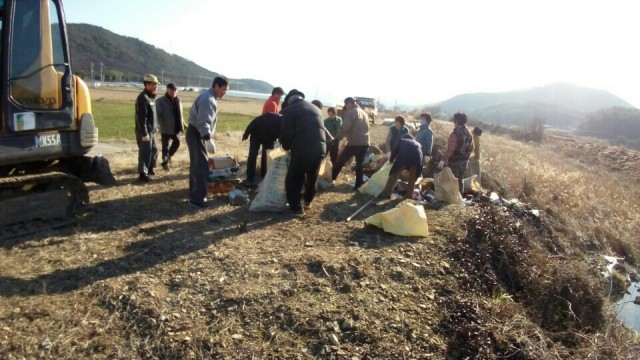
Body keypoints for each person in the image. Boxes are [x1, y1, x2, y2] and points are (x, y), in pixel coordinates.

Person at [279, 90, 328, 216]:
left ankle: (296, 208)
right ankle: (307, 201)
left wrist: (285, 146)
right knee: (312, 177)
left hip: (302, 149)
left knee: (294, 179)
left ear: (290, 101)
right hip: (319, 149)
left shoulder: (292, 110)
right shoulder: (315, 108)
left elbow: (286, 132)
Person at [185, 76, 230, 209]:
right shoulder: (208, 99)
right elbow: (203, 121)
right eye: (223, 89)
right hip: (197, 134)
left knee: (196, 165)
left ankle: (194, 194)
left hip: (195, 133)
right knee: (201, 167)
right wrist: (208, 139)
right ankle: (196, 200)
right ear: (216, 86)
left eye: (226, 90)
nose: (224, 92)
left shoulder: (209, 97)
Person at [331, 97, 370, 190]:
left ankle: (331, 178)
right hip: (365, 142)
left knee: (340, 160)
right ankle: (358, 185)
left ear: (349, 103)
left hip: (354, 142)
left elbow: (345, 127)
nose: (346, 107)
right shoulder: (364, 113)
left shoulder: (351, 112)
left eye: (346, 105)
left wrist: (337, 138)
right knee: (359, 164)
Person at [241, 112, 283, 188]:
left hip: (269, 139)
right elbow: (255, 121)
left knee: (266, 157)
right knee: (252, 156)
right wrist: (246, 133)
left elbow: (282, 139)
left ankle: (264, 176)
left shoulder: (284, 125)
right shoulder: (271, 117)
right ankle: (250, 179)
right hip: (256, 135)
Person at [437, 112, 474, 193]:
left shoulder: (456, 134)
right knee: (461, 181)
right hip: (465, 162)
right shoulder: (469, 133)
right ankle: (459, 199)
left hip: (454, 162)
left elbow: (450, 150)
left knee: (452, 181)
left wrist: (443, 161)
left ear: (456, 121)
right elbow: (472, 148)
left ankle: (452, 201)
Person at [379, 134, 423, 198]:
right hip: (417, 160)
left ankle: (386, 193)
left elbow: (394, 151)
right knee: (412, 178)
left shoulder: (402, 140)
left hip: (404, 157)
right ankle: (409, 196)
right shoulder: (418, 144)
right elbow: (420, 155)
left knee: (394, 175)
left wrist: (391, 160)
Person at [135, 74, 160, 183]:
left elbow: (153, 115)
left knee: (154, 150)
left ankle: (150, 168)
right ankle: (142, 174)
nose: (156, 86)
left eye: (156, 84)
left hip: (152, 130)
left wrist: (156, 126)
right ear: (147, 84)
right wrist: (144, 133)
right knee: (145, 152)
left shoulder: (151, 97)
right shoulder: (142, 98)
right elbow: (142, 118)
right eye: (154, 84)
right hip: (145, 131)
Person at [156, 82, 185, 171]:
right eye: (172, 90)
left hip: (176, 128)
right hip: (166, 127)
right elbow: (157, 115)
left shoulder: (178, 101)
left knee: (177, 143)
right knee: (165, 146)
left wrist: (183, 123)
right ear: (167, 90)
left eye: (175, 90)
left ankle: (168, 157)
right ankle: (165, 164)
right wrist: (156, 125)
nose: (173, 92)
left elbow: (180, 114)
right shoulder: (160, 101)